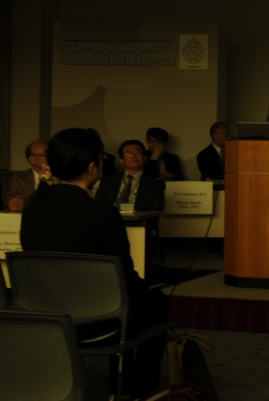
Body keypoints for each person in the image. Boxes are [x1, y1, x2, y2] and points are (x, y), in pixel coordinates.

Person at [20, 128, 169, 398]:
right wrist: (147, 289)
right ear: (92, 167)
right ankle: (134, 389)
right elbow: (124, 281)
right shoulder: (103, 215)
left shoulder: (31, 212)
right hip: (99, 324)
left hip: (48, 320)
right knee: (155, 301)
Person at [95, 140, 165, 211]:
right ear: (121, 160)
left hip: (139, 217)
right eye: (129, 153)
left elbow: (155, 211)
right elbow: (97, 206)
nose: (134, 156)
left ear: (144, 158)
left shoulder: (155, 184)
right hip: (111, 217)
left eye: (137, 152)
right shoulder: (107, 180)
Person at [3, 140, 50, 212]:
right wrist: (13, 204)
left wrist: (27, 204)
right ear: (32, 160)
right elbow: (8, 201)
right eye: (45, 155)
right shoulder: (20, 177)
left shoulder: (60, 176)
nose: (50, 157)